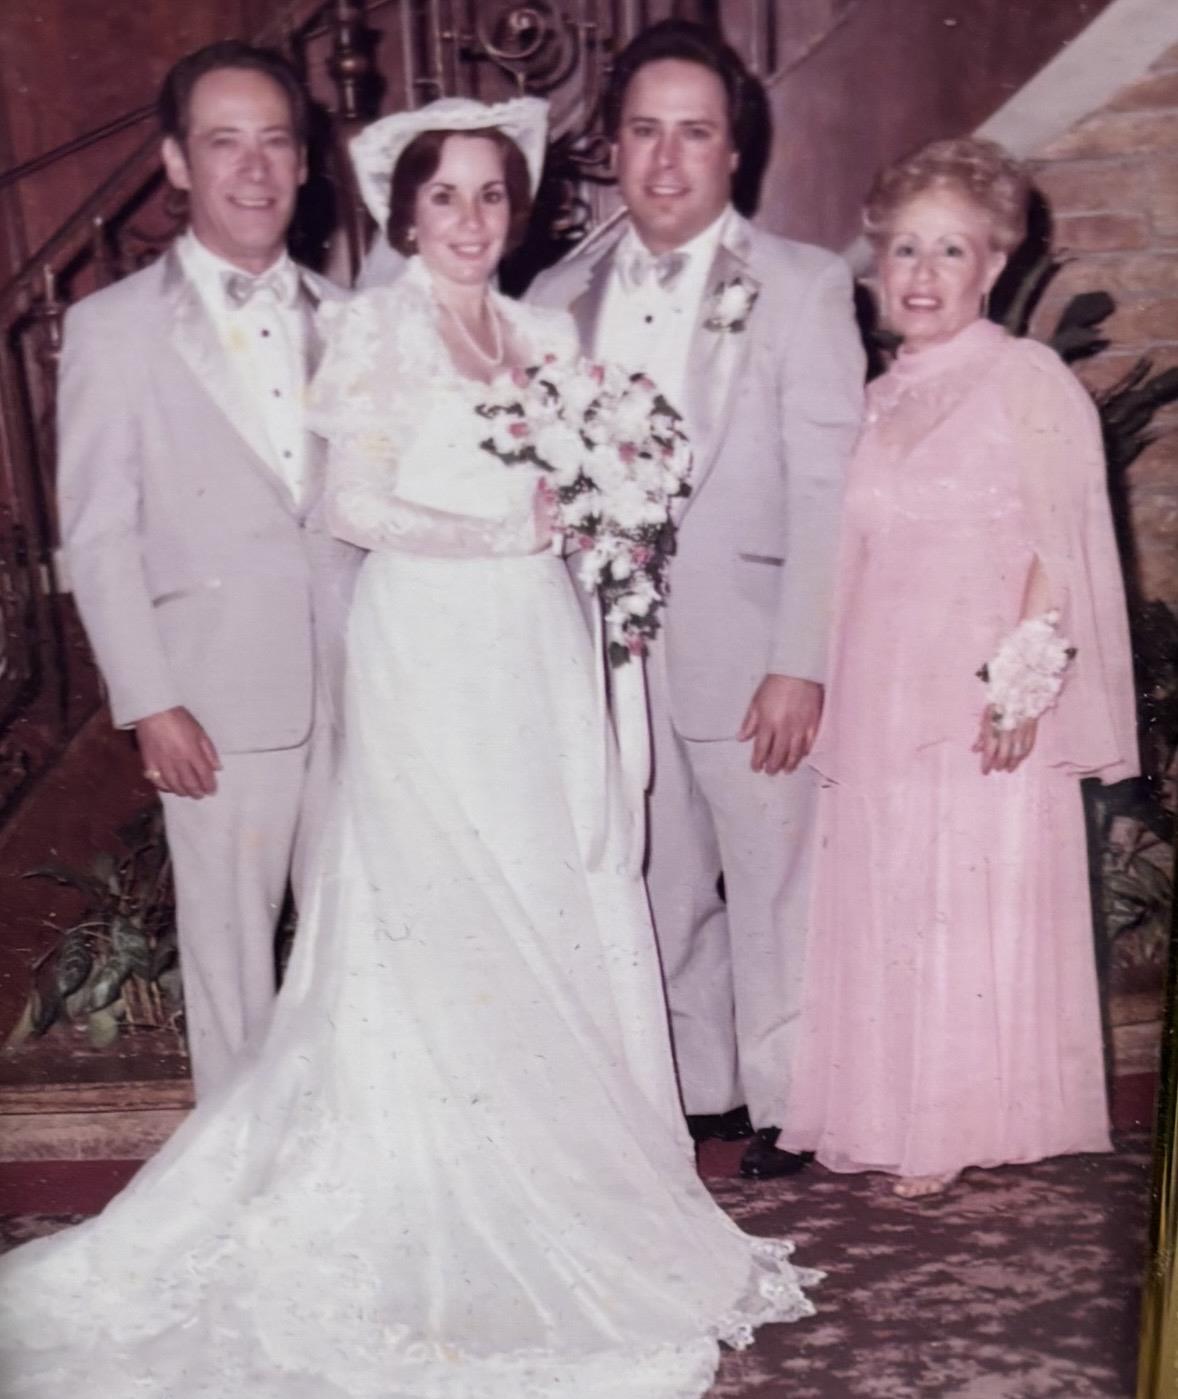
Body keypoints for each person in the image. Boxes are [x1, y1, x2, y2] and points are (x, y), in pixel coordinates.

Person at [0, 96, 821, 1397]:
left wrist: (602, 511)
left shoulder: (549, 330)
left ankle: (558, 1170)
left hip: (535, 645)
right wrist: (509, 531)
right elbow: (349, 498)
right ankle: (415, 1196)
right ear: (407, 211)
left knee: (543, 895)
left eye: (493, 195)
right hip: (427, 644)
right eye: (445, 196)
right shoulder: (372, 328)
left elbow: (599, 475)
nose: (471, 218)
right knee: (432, 910)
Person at [529, 19, 865, 1179]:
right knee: (649, 874)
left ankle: (791, 1102)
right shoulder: (554, 294)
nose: (665, 161)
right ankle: (698, 1087)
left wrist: (801, 657)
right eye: (642, 132)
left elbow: (828, 487)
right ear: (609, 146)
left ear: (735, 153)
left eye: (694, 134)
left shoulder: (802, 286)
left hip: (751, 638)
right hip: (607, 647)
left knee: (775, 878)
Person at [777, 137, 1139, 1198]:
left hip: (978, 691)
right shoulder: (875, 397)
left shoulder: (1024, 380)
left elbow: (1059, 544)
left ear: (991, 266)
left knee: (962, 895)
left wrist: (1021, 685)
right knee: (892, 888)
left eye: (948, 251)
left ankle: (959, 1119)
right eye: (902, 251)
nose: (922, 274)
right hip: (880, 682)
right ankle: (886, 1109)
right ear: (877, 266)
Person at [56, 41, 362, 1099]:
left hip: (363, 688)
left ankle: (345, 1172)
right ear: (178, 164)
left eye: (275, 142)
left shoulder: (353, 318)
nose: (254, 169)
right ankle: (241, 1184)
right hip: (216, 700)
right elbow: (96, 533)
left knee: (360, 959)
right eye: (223, 143)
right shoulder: (113, 330)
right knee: (232, 968)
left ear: (305, 161)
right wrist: (150, 702)